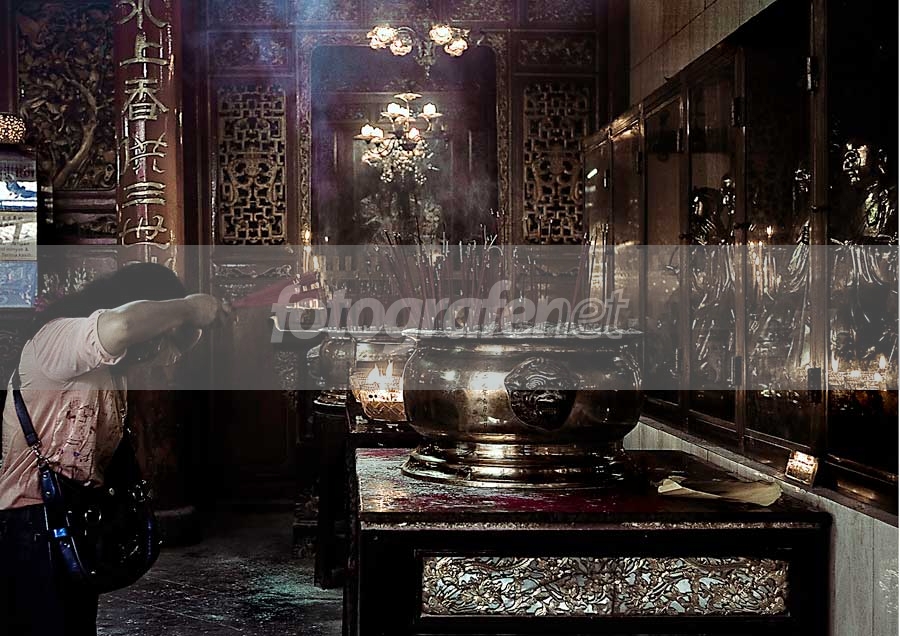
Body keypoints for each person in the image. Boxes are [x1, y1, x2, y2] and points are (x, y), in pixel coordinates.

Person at [0, 262, 228, 635]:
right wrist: (188, 307)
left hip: (71, 517)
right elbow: (122, 326)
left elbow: (169, 351)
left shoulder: (111, 368)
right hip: (30, 521)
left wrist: (200, 318)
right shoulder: (57, 338)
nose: (159, 345)